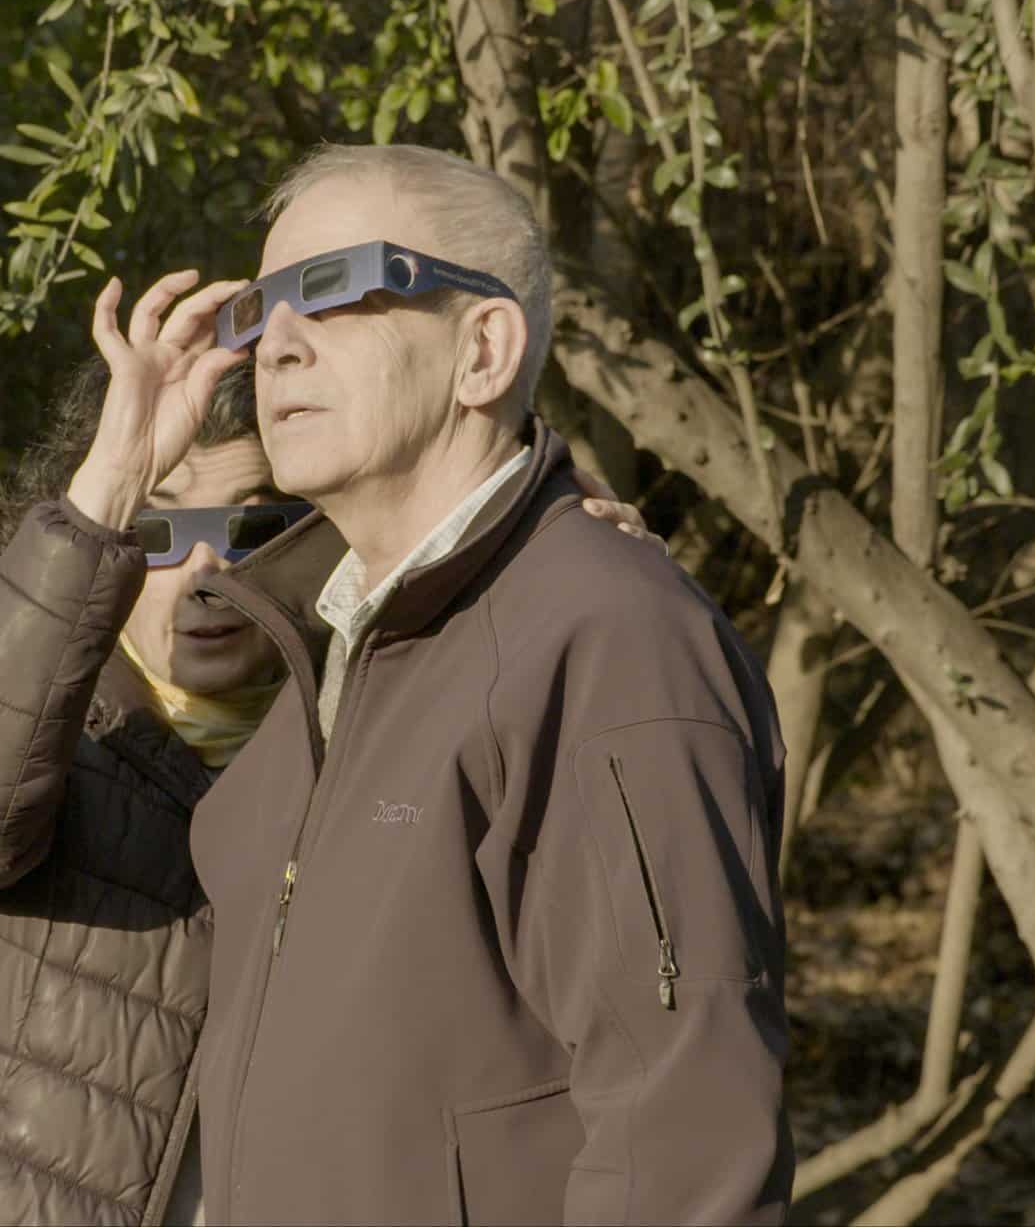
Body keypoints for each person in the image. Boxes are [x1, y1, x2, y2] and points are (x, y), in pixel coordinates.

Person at [0, 267, 666, 1227]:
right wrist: (112, 473)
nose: (204, 569)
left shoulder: (365, 741)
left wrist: (555, 547)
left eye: (251, 526)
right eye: (156, 528)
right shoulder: (36, 725)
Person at [186, 144, 792, 1225]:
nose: (274, 345)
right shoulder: (320, 647)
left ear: (483, 350)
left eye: (329, 290)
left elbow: (682, 1138)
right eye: (258, 311)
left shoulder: (609, 639)